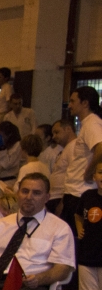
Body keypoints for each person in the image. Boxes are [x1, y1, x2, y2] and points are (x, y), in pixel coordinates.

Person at [62, 86, 102, 227]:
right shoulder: (88, 123)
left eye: (73, 101)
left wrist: (89, 171)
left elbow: (100, 147)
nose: (69, 105)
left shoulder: (92, 123)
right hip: (76, 190)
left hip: (80, 191)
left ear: (85, 103)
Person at [77, 167, 102, 290]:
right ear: (94, 176)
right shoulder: (87, 196)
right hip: (87, 255)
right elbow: (78, 214)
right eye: (101, 172)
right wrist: (79, 227)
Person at [0, 121, 24, 189]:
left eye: (0, 135)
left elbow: (6, 164)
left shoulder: (17, 146)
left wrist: (2, 148)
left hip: (9, 181)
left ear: (9, 135)